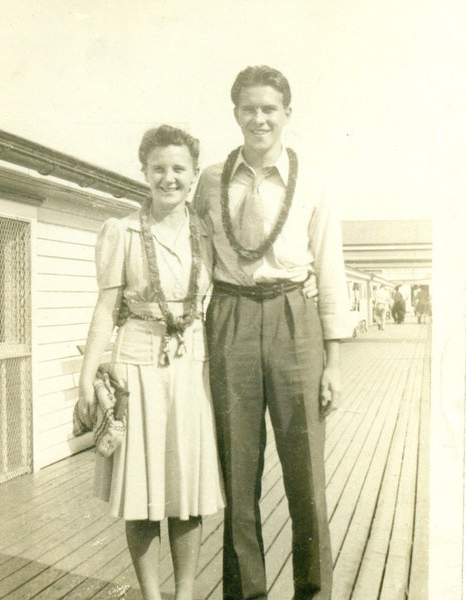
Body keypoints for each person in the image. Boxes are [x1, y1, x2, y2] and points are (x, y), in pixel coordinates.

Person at [194, 65, 350, 600]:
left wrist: (333, 361)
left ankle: (314, 592)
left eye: (269, 109)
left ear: (287, 114)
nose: (259, 118)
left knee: (305, 473)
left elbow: (331, 269)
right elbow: (197, 260)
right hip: (231, 317)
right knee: (238, 472)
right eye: (248, 109)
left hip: (293, 318)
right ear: (235, 113)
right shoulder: (211, 179)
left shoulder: (316, 181)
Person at [77, 125, 226, 600]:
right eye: (158, 168)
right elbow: (105, 311)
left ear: (194, 174)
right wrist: (86, 379)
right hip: (136, 367)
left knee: (187, 490)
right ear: (143, 171)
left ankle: (185, 594)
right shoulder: (121, 232)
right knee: (141, 495)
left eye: (179, 169)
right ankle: (152, 596)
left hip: (192, 368)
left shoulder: (208, 233)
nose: (169, 178)